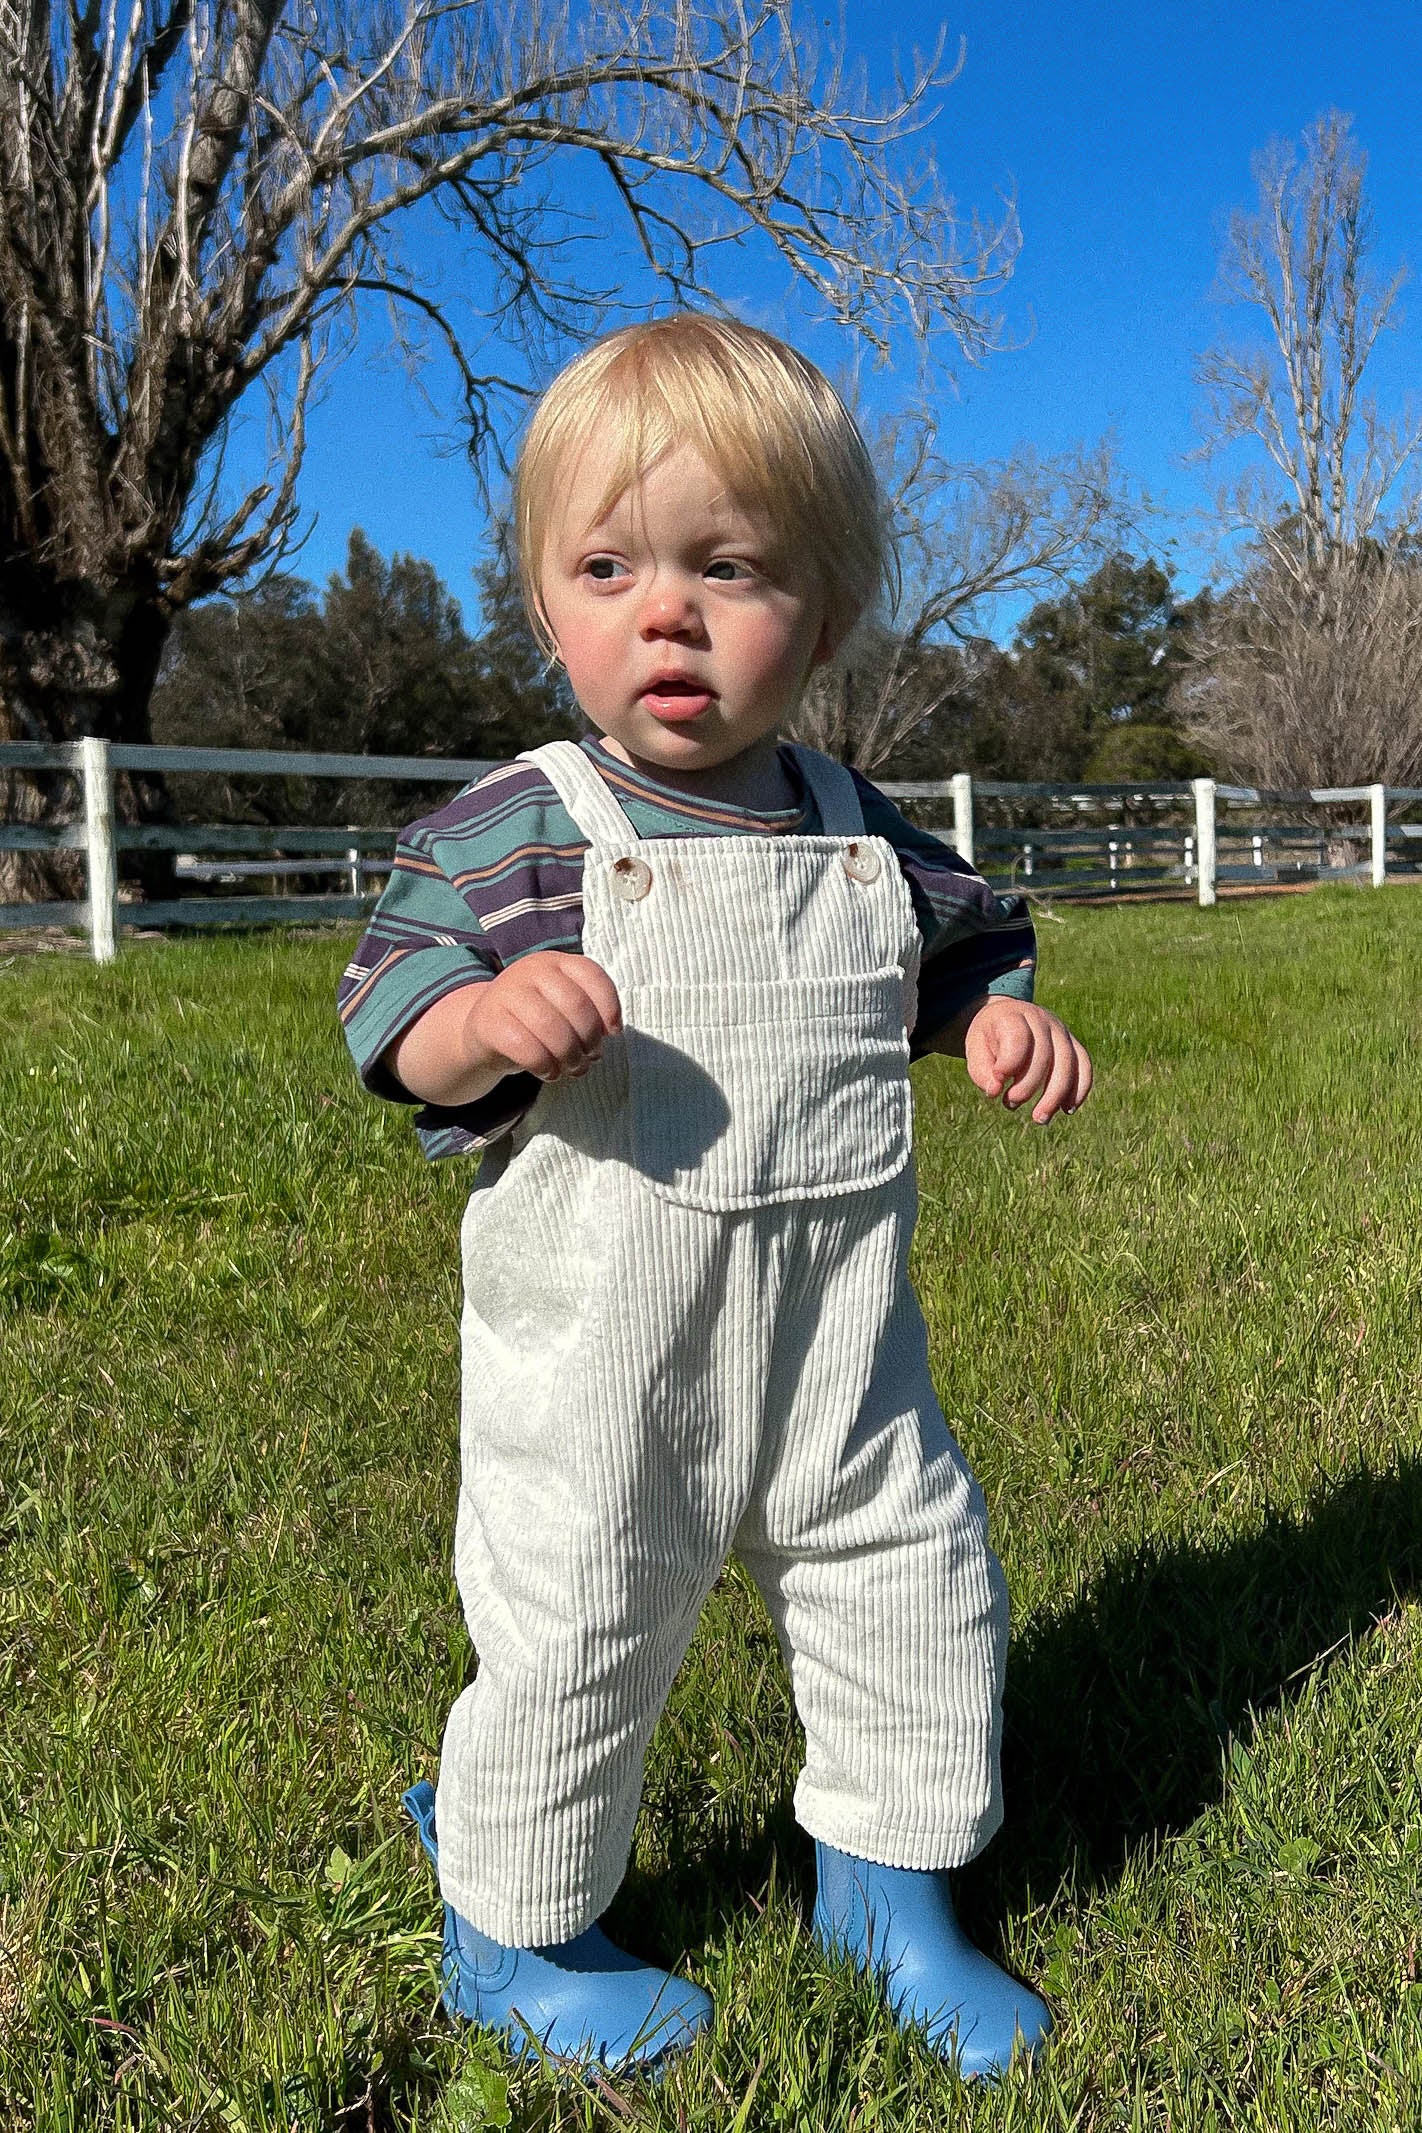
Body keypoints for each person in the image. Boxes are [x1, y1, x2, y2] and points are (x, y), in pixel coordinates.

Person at [337, 313, 1093, 2080]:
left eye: (726, 567)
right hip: (605, 1363)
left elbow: (959, 946)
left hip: (841, 1351)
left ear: (820, 619)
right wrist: (479, 1025)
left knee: (913, 1588)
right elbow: (390, 1013)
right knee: (580, 1621)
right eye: (607, 567)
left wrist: (991, 1020)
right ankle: (515, 1925)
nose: (663, 613)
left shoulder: (855, 823)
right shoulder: (517, 829)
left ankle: (889, 1899)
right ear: (545, 605)